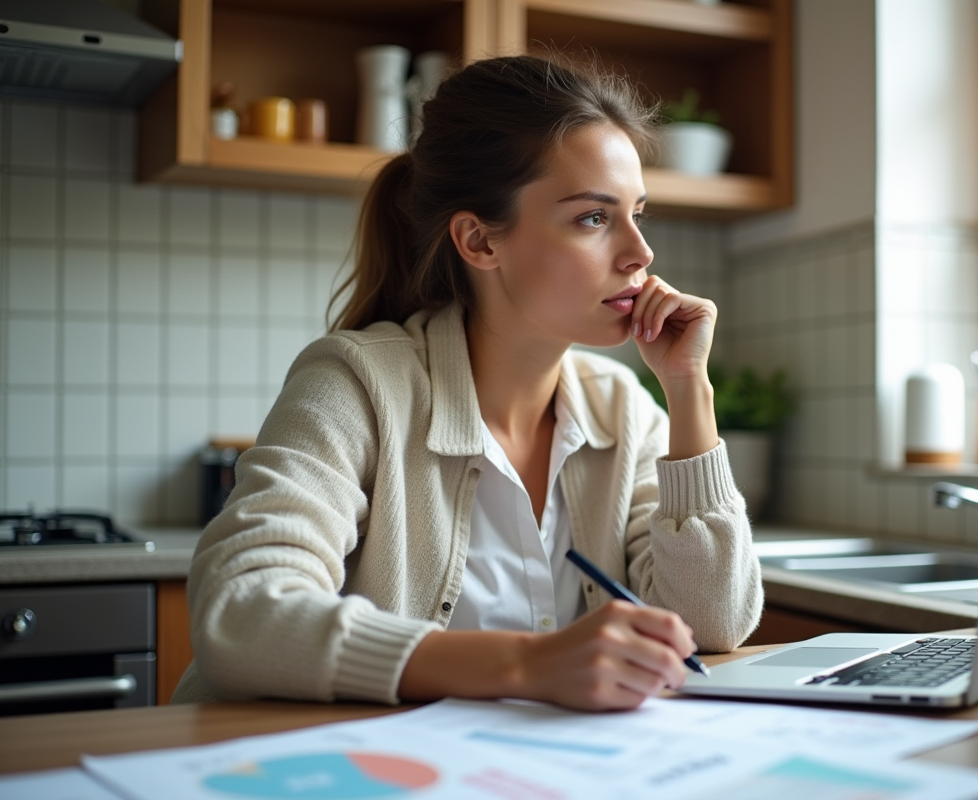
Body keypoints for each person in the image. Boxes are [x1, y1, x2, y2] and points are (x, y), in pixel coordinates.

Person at [173, 55, 762, 712]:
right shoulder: (358, 383)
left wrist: (690, 391)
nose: (639, 253)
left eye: (638, 214)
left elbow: (713, 626)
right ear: (480, 241)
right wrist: (527, 663)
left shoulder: (625, 407)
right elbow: (240, 611)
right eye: (594, 218)